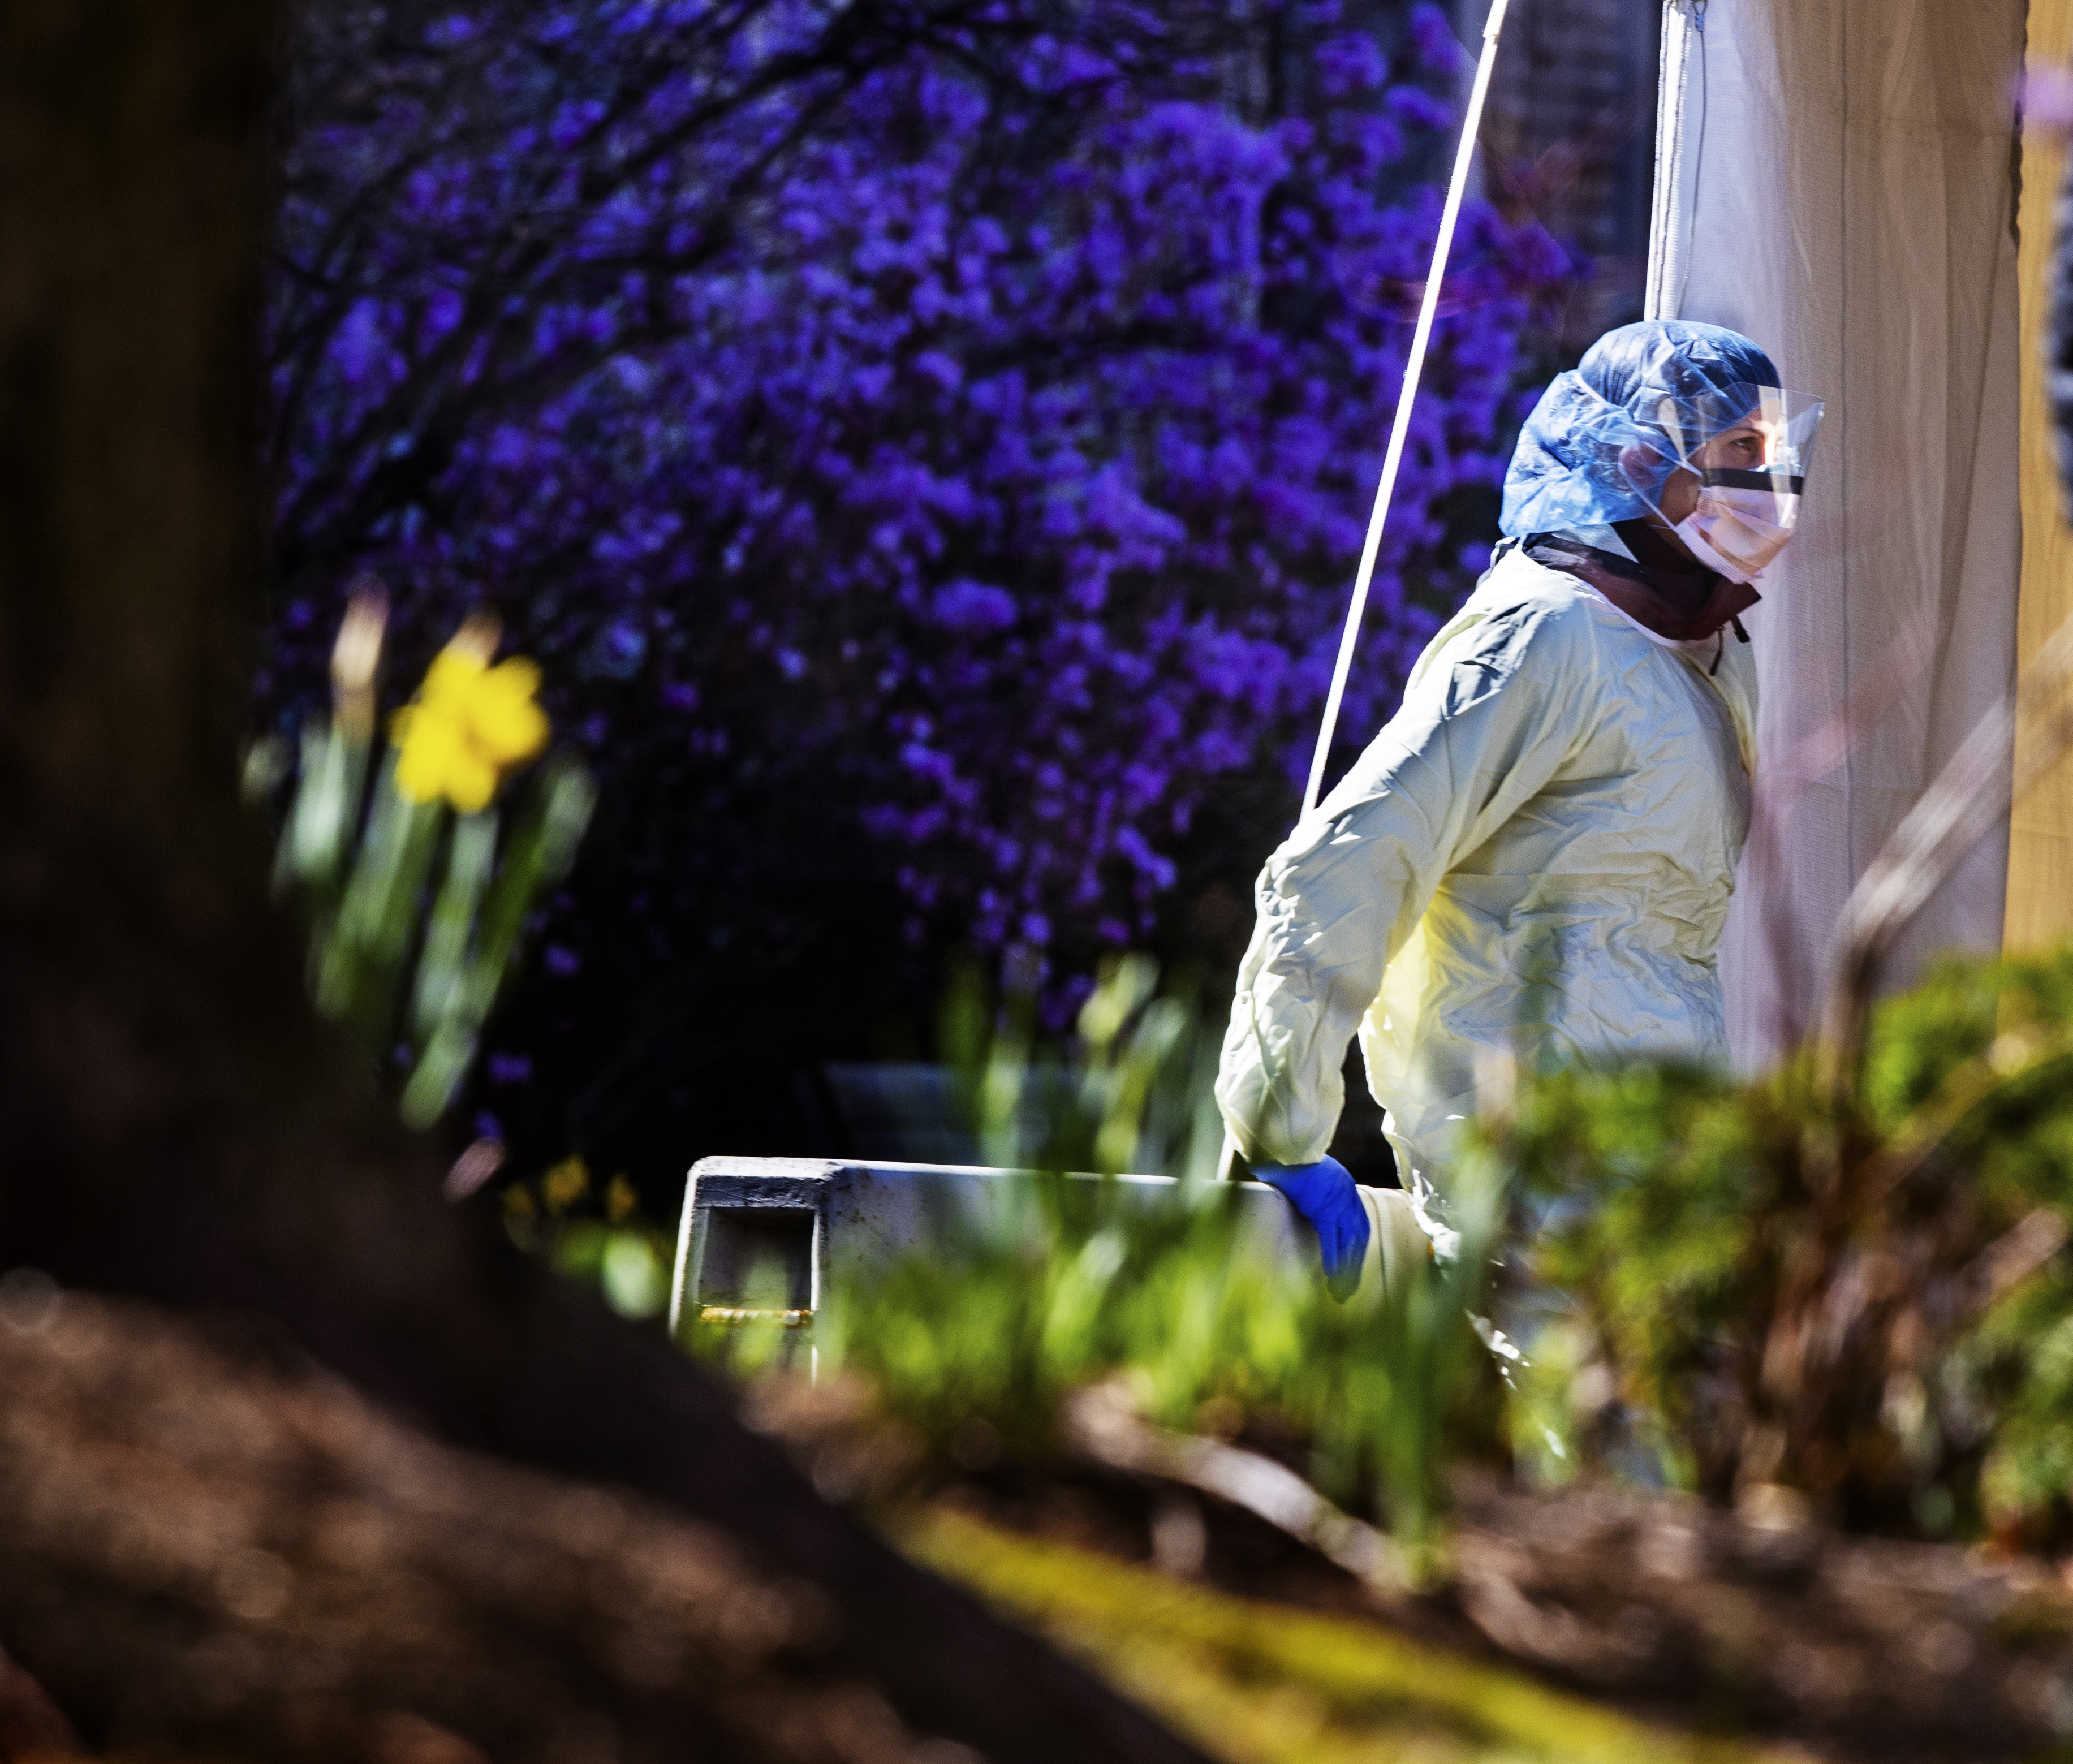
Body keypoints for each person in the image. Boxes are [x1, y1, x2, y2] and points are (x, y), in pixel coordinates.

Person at [1216, 320, 1823, 1283]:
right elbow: (1349, 863)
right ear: (1637, 458)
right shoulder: (1538, 635)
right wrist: (1280, 1126)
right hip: (1527, 1169)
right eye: (1741, 449)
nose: (1772, 480)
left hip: (1657, 1170)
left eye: (1778, 449)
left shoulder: (1702, 652)